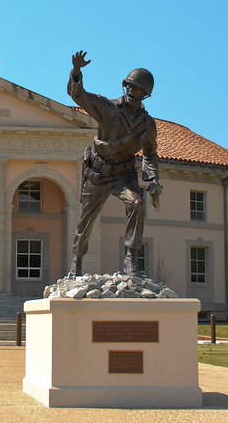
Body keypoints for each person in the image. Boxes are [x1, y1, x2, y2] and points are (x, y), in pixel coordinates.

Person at [67, 50, 161, 276]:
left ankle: (130, 258)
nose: (130, 90)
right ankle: (76, 264)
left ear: (145, 94)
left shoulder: (147, 125)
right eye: (128, 85)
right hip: (98, 172)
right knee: (85, 222)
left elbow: (150, 153)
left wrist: (154, 179)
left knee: (137, 203)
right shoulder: (108, 108)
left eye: (135, 88)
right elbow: (79, 96)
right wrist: (77, 72)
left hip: (123, 175)